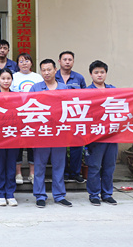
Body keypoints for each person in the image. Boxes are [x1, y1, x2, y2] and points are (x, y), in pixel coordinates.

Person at [30, 59, 72, 208]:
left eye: (49, 69)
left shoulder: (64, 88)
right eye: (43, 70)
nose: (46, 73)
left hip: (59, 133)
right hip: (41, 133)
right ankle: (40, 195)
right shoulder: (35, 88)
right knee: (39, 166)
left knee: (59, 165)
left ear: (55, 70)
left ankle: (59, 195)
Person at [85, 60, 118, 206]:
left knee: (109, 167)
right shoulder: (86, 92)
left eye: (102, 72)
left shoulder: (113, 90)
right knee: (94, 166)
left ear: (106, 74)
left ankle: (107, 194)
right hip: (95, 136)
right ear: (91, 74)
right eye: (96, 72)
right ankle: (94, 194)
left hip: (111, 135)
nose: (99, 75)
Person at [10, 53, 42, 184]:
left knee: (32, 145)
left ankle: (32, 173)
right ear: (17, 64)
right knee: (18, 144)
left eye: (27, 61)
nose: (24, 63)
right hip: (17, 115)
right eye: (21, 61)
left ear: (31, 63)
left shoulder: (37, 77)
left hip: (34, 115)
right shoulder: (13, 77)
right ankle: (18, 173)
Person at [56, 51, 87, 183]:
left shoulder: (79, 78)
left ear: (73, 62)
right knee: (60, 146)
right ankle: (63, 172)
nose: (67, 62)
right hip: (58, 116)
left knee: (77, 146)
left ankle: (75, 172)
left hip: (75, 116)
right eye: (65, 59)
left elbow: (86, 96)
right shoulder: (53, 76)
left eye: (70, 59)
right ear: (59, 61)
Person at [0, 68, 19, 207]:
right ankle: (0, 193)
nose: (6, 81)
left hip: (13, 135)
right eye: (3, 78)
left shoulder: (16, 97)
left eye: (8, 78)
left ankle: (10, 193)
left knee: (11, 166)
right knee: (0, 166)